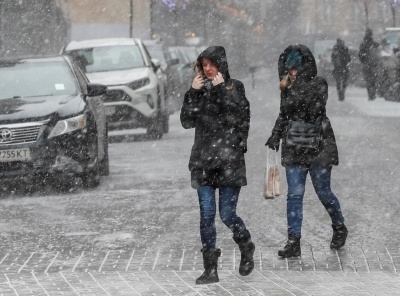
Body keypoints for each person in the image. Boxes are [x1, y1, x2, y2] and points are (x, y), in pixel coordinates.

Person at [265, 44, 348, 258]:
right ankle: (294, 241)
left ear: (305, 67)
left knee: (323, 192)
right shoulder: (287, 86)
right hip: (294, 145)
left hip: (319, 145)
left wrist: (296, 86)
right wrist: (275, 135)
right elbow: (284, 114)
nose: (293, 72)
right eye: (289, 69)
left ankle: (339, 226)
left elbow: (315, 110)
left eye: (296, 68)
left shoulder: (319, 83)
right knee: (294, 195)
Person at [180, 46, 254, 284]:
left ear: (221, 64)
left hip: (228, 161)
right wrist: (192, 93)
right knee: (206, 215)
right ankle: (210, 269)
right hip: (203, 161)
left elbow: (238, 117)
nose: (208, 68)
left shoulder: (235, 87)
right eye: (204, 64)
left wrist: (222, 90)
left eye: (212, 64)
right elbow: (186, 121)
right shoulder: (198, 90)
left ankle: (246, 245)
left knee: (227, 214)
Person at [359, 28, 380, 100]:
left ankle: (370, 94)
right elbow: (378, 54)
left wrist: (363, 60)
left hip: (366, 64)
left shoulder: (363, 44)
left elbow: (360, 55)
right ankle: (372, 93)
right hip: (373, 64)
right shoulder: (374, 44)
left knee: (368, 80)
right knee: (373, 79)